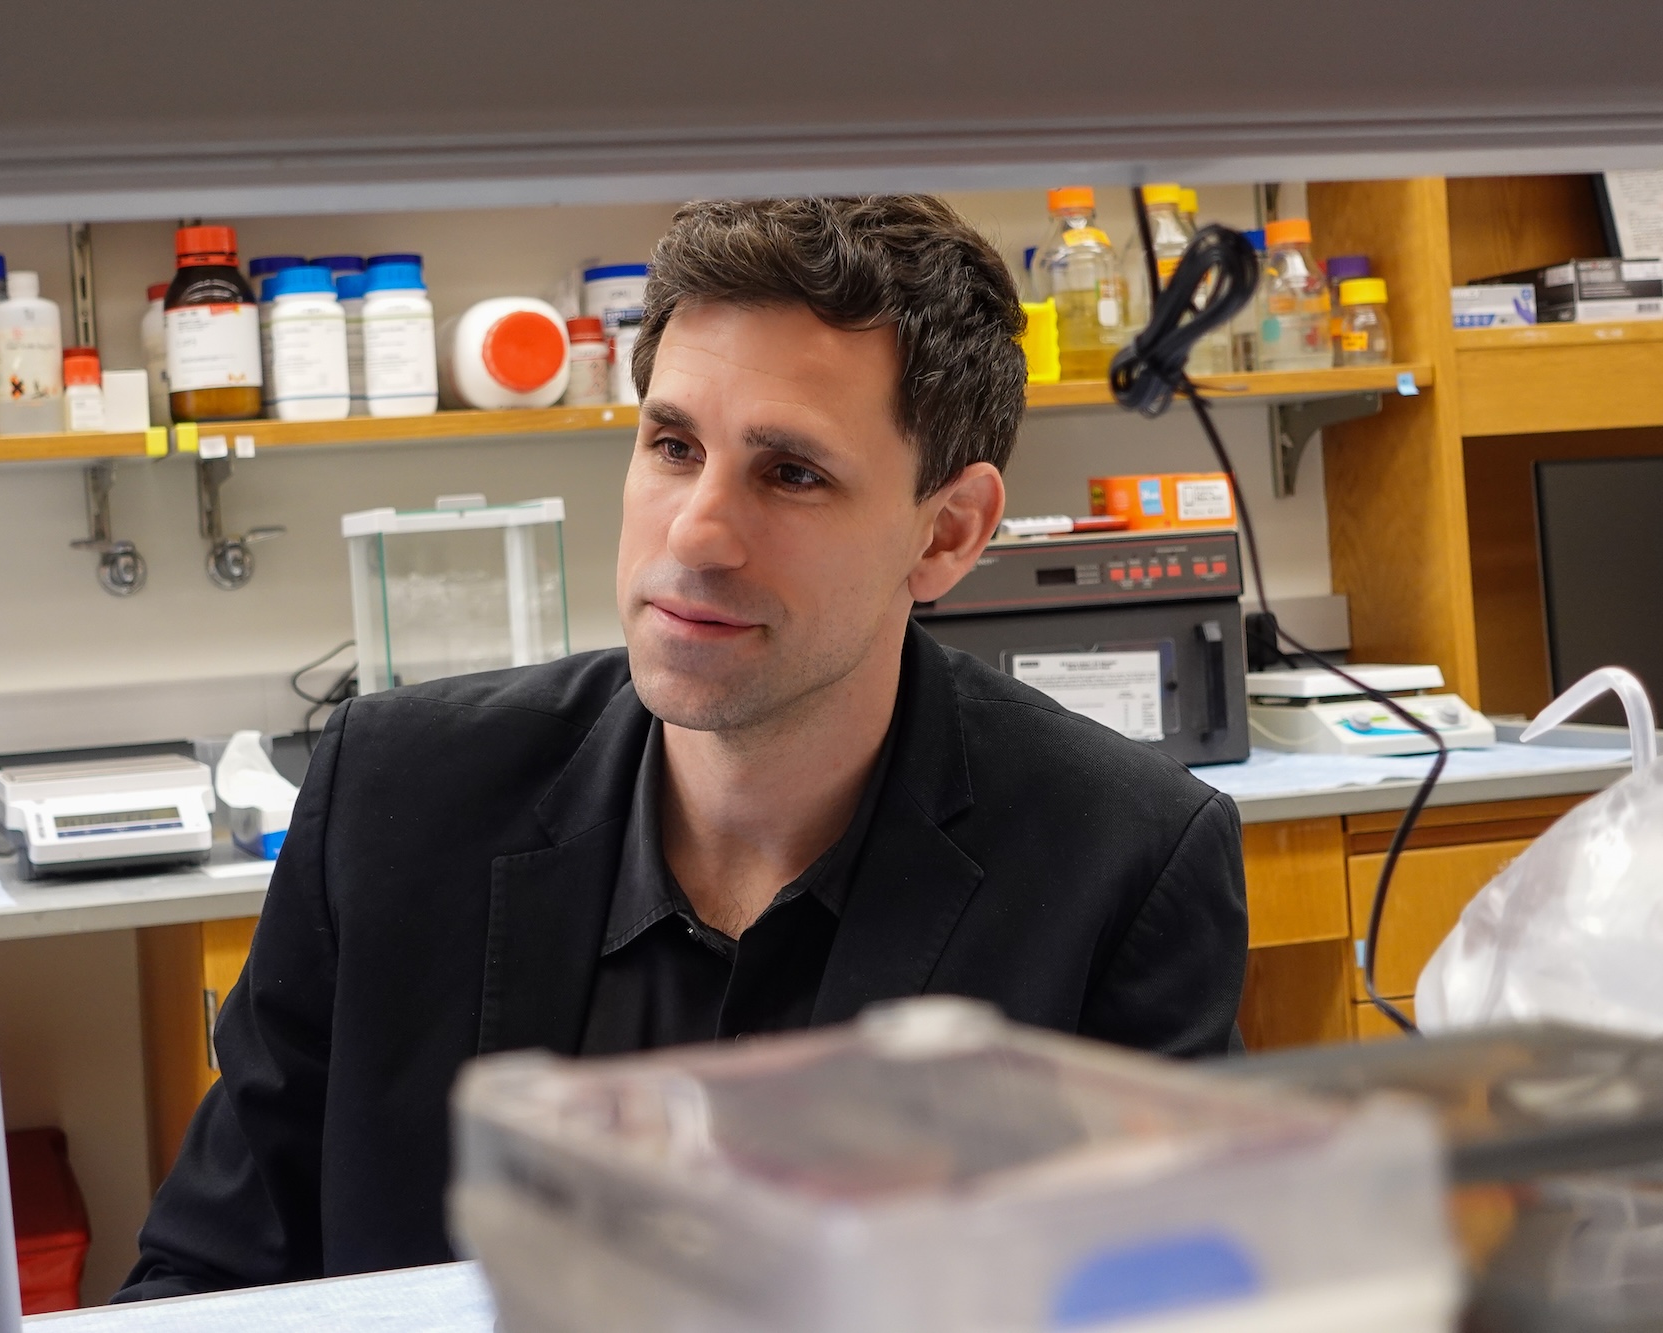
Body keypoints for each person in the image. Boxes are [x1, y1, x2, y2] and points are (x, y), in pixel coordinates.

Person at [118, 195, 1247, 1299]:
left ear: (946, 532)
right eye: (671, 445)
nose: (696, 531)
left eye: (790, 472)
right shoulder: (396, 797)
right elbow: (200, 1282)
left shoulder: (1118, 861)